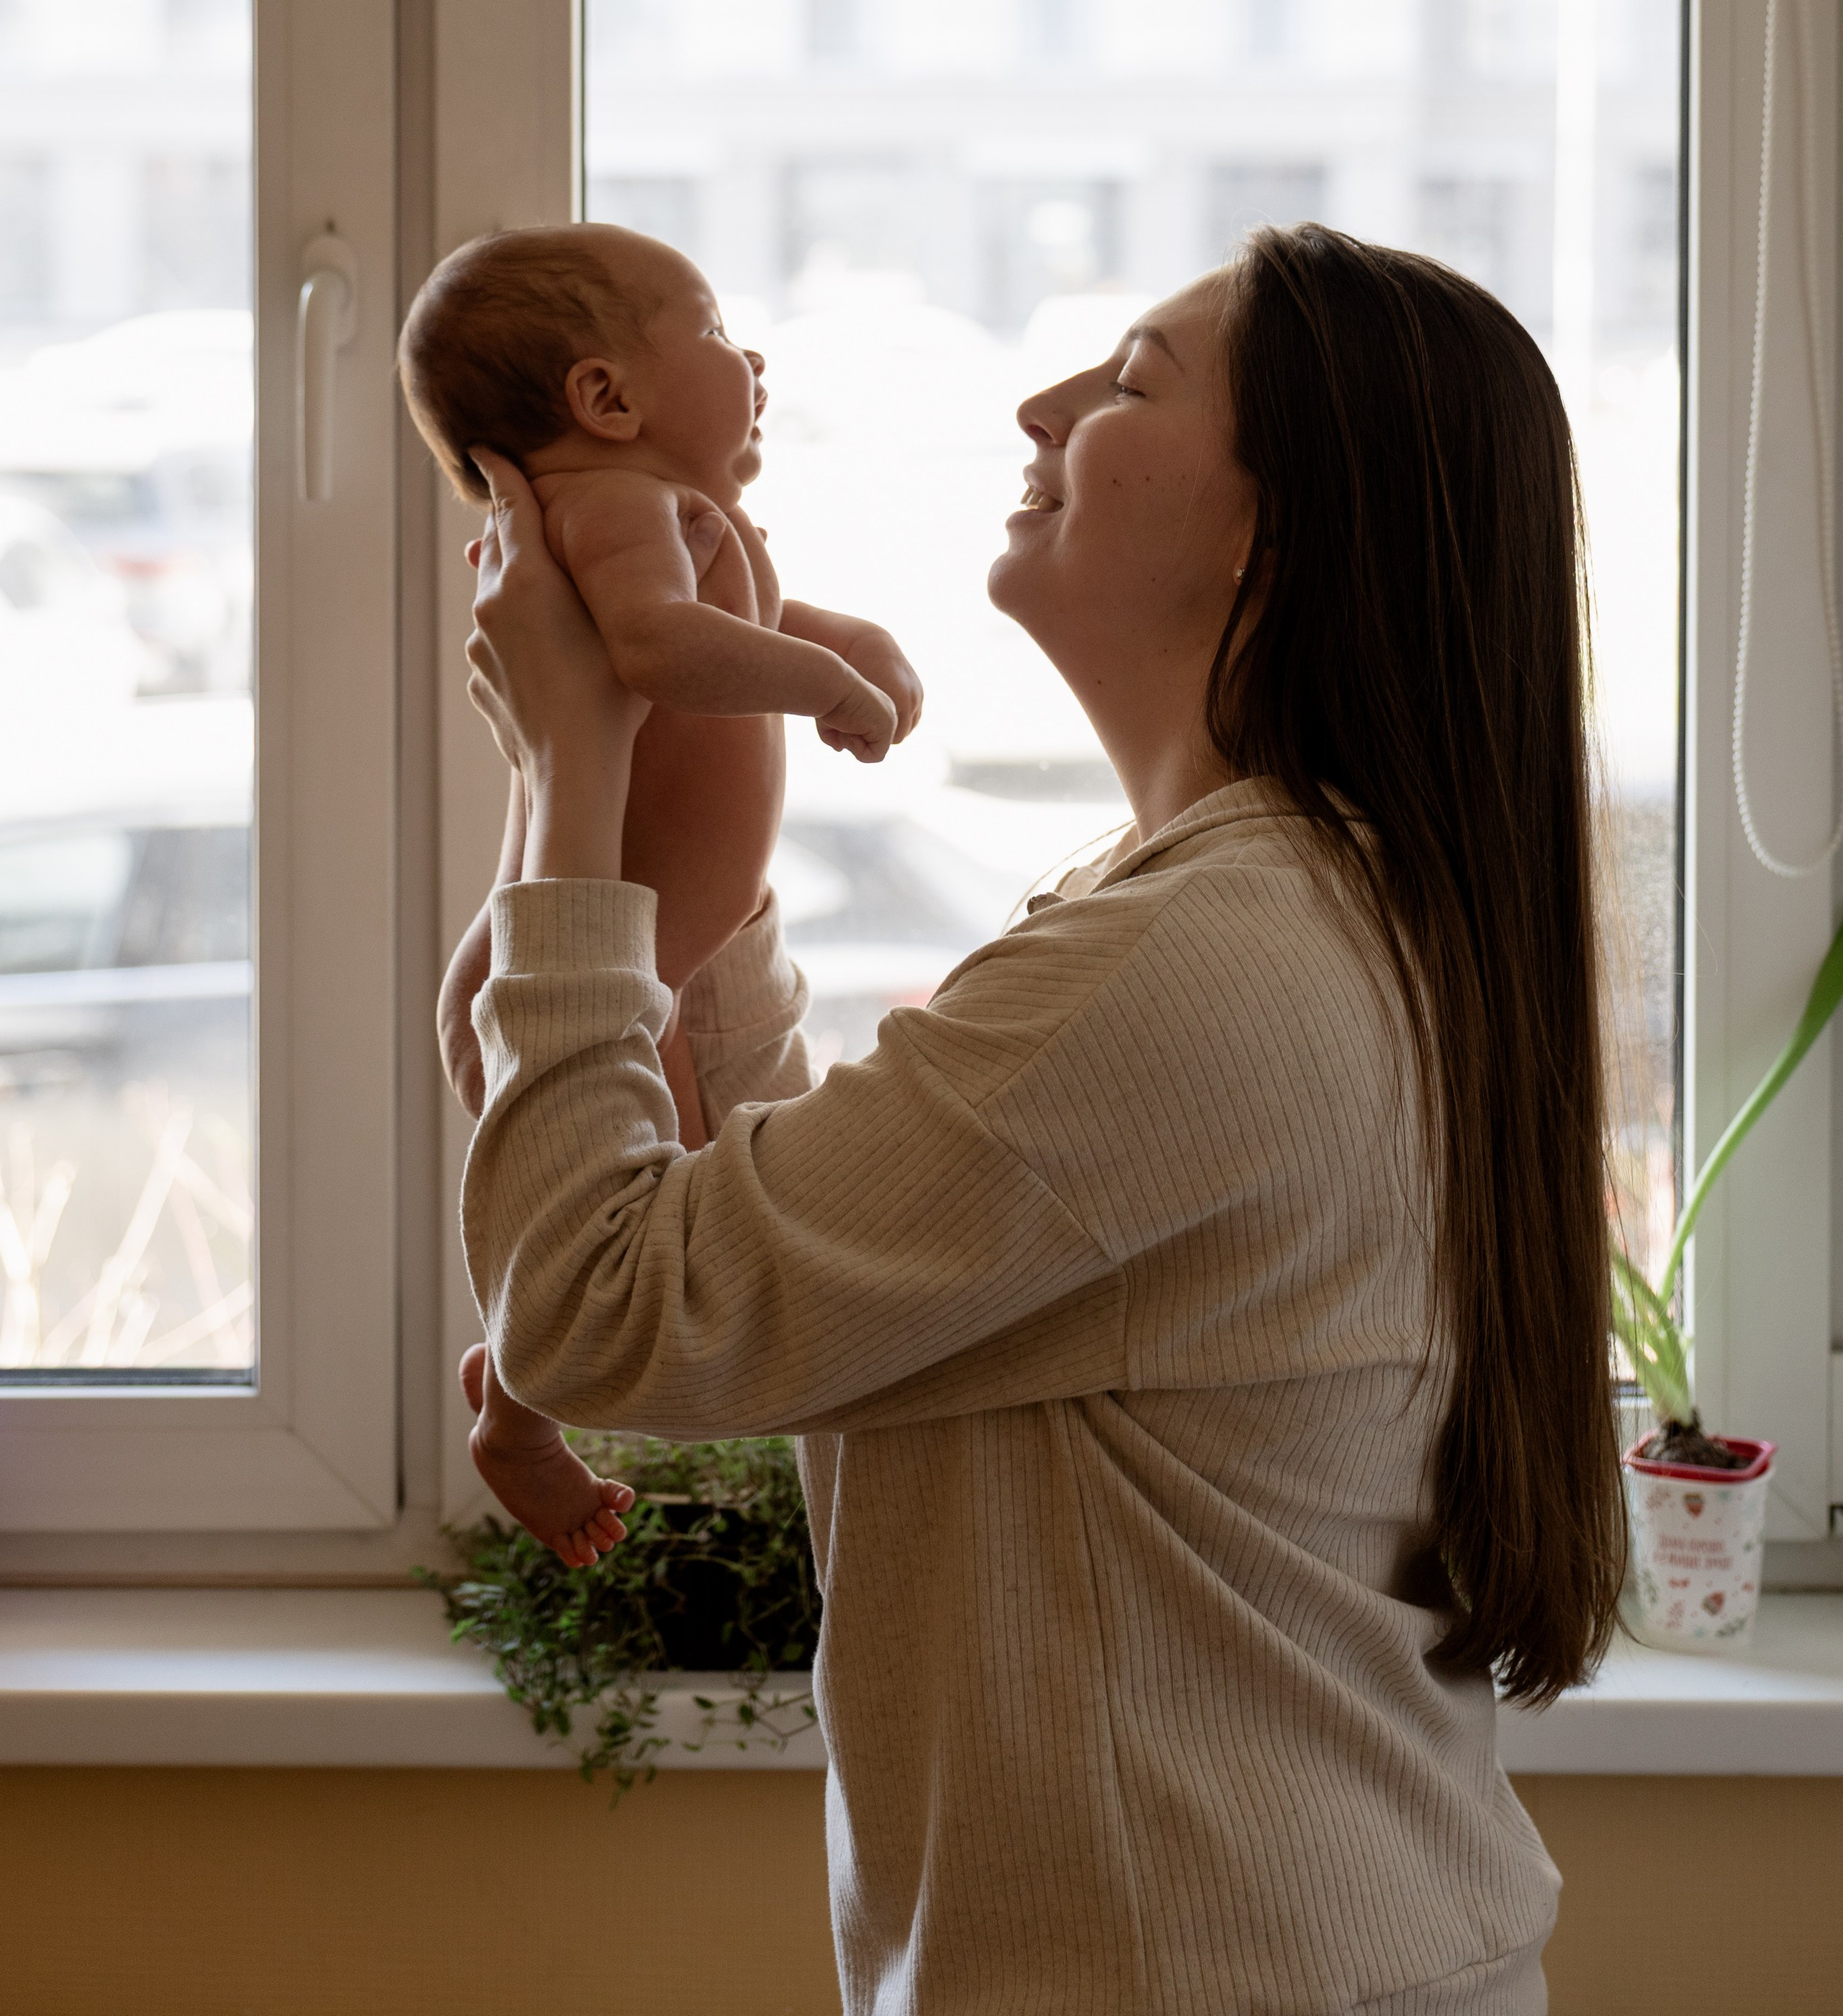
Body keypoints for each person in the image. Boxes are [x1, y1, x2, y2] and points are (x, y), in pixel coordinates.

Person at [454, 226, 1626, 2014]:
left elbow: (606, 1309)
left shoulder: (1205, 963)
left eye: (1131, 382)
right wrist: (700, 884)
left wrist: (565, 779)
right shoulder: (1244, 909)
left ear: (1273, 529)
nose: (1038, 401)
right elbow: (853, 1278)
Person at [397, 223, 921, 1559]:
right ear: (606, 398)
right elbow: (660, 644)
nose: (749, 357)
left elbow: (719, 620)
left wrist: (838, 635)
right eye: (713, 331)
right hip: (633, 952)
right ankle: (517, 1412)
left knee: (642, 1201)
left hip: (633, 940)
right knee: (652, 1222)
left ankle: (514, 1389)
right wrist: (827, 687)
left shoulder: (640, 519)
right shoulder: (620, 509)